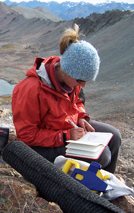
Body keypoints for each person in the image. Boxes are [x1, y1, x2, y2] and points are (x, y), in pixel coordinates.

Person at [11, 24, 121, 173]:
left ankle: (105, 183)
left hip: (67, 130)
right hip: (43, 147)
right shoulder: (30, 89)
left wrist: (81, 117)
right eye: (80, 80)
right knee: (102, 156)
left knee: (114, 137)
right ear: (66, 70)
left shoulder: (72, 81)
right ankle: (84, 190)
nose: (83, 85)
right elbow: (26, 136)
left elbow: (77, 102)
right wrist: (65, 136)